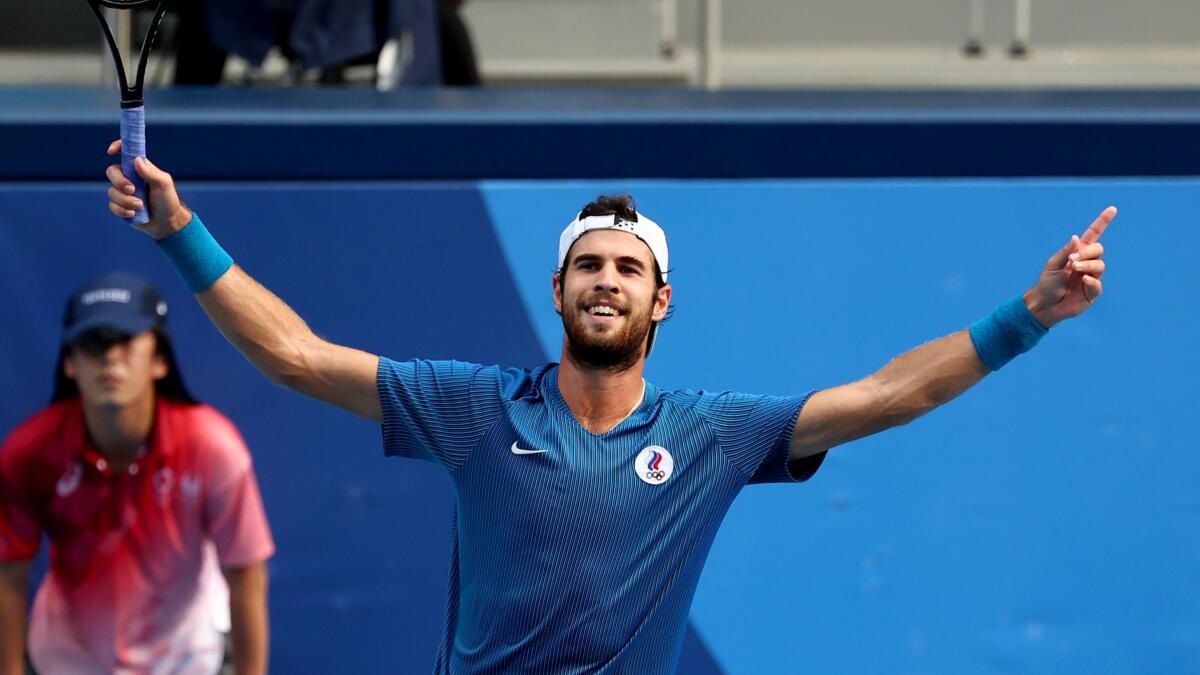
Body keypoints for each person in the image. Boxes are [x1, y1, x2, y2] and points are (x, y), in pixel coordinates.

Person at [101, 146, 1112, 674]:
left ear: (659, 300)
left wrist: (1031, 314)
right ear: (558, 290)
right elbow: (295, 355)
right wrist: (179, 229)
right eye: (587, 265)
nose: (606, 280)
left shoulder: (712, 436)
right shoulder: (471, 408)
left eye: (629, 268)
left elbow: (890, 394)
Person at [0, 272, 275, 675]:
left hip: (187, 662)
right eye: (93, 344)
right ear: (70, 363)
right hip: (65, 662)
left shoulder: (213, 447)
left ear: (160, 360)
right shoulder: (29, 453)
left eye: (125, 341)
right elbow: (8, 576)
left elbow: (247, 573)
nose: (110, 357)